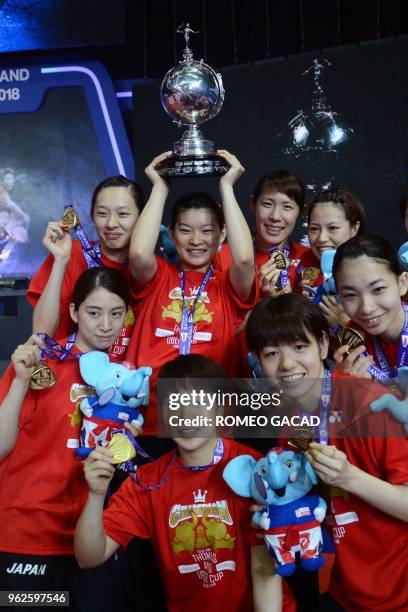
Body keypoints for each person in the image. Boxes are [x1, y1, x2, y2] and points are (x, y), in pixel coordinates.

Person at [75, 354, 281, 612]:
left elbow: (266, 567)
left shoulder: (254, 469)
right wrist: (95, 494)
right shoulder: (147, 481)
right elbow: (89, 557)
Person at [246, 293, 408, 611]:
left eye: (299, 347)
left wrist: (350, 477)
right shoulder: (289, 430)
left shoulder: (368, 402)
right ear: (258, 360)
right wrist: (272, 515)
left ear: (323, 345)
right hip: (341, 593)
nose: (287, 364)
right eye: (271, 353)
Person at [0, 267, 138, 610]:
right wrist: (19, 383)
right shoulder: (38, 363)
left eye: (116, 313)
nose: (106, 324)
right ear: (75, 313)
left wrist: (128, 446)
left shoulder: (127, 379)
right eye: (94, 313)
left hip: (90, 542)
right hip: (27, 537)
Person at [125, 151, 258, 435]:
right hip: (152, 421)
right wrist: (159, 188)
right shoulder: (158, 277)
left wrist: (227, 187)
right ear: (171, 235)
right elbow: (137, 253)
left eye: (207, 231)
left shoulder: (228, 285)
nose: (196, 241)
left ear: (222, 235)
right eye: (185, 231)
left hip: (213, 421)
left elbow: (245, 259)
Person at [27, 175, 144, 361]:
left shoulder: (148, 268)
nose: (111, 224)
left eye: (123, 214)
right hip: (67, 376)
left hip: (125, 379)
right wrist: (60, 261)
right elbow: (40, 336)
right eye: (102, 214)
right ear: (92, 216)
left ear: (142, 217)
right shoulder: (70, 252)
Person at [216, 169, 308, 298]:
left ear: (301, 212)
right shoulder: (222, 256)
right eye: (267, 204)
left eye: (287, 207)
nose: (275, 216)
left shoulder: (308, 259)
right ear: (253, 204)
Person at [332, 234, 408, 379]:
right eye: (351, 295)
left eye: (378, 289)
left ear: (402, 284)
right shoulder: (350, 342)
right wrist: (350, 388)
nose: (366, 308)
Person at [298, 187, 366, 329]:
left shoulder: (373, 270)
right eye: (314, 228)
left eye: (333, 228)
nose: (322, 238)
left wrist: (345, 324)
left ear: (354, 228)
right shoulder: (300, 265)